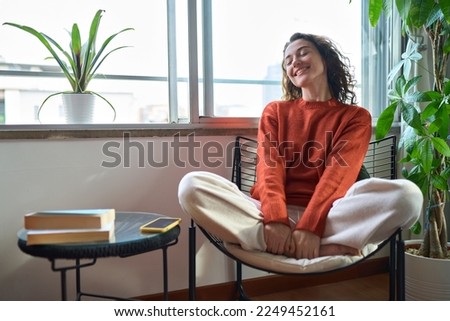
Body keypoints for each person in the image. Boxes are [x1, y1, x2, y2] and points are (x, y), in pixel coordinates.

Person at [178, 32, 423, 260]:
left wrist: (310, 226)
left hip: (330, 215)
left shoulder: (355, 117)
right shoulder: (275, 111)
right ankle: (321, 247)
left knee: (409, 196)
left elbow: (339, 176)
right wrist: (276, 220)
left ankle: (279, 243)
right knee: (191, 185)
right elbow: (269, 169)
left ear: (325, 60)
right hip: (266, 215)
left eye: (304, 52)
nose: (295, 61)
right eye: (288, 61)